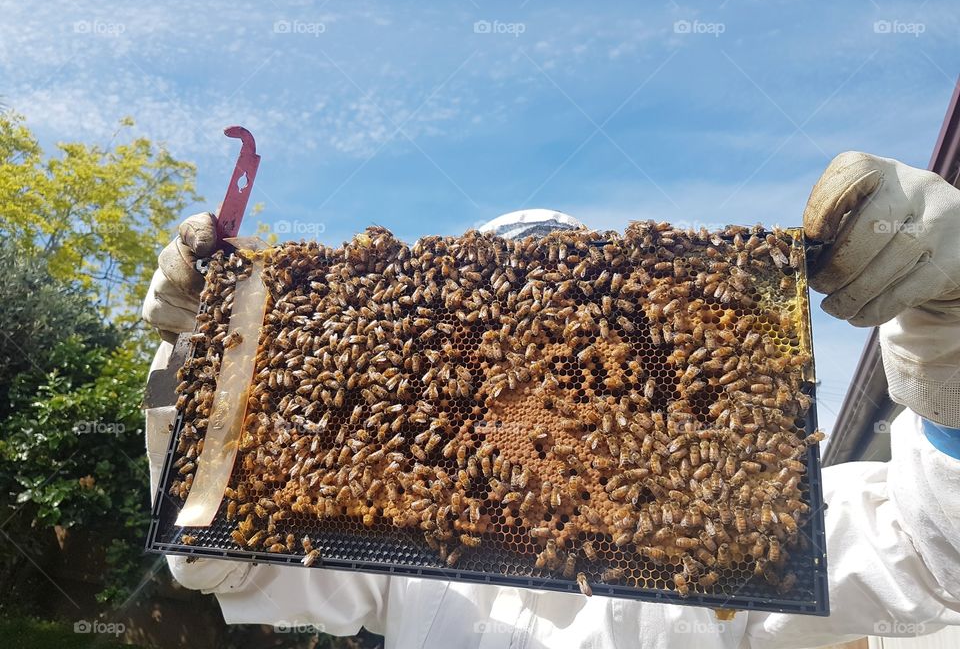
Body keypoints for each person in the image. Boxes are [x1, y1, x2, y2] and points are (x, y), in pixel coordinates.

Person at [142, 152, 960, 649]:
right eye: (493, 350)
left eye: (563, 346)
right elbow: (217, 559)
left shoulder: (738, 518)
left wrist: (949, 336)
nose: (530, 380)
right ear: (455, 380)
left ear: (625, 364)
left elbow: (932, 551)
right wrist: (209, 370)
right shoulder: (409, 546)